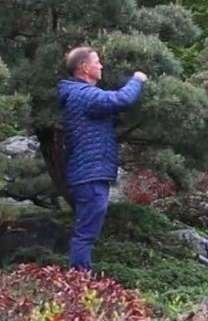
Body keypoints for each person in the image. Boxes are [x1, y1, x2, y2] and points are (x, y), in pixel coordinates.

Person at [58, 46, 148, 271]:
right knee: (85, 235)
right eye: (96, 62)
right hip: (90, 174)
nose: (101, 66)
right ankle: (79, 286)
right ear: (84, 68)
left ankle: (79, 284)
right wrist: (137, 79)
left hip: (89, 172)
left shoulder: (78, 95)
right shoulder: (84, 95)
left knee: (86, 232)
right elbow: (121, 99)